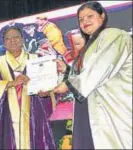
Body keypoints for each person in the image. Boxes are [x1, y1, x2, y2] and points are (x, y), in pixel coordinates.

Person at [54, 2, 132, 149]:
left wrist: (68, 84)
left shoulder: (114, 35)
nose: (85, 22)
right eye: (81, 19)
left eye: (90, 16)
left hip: (112, 108)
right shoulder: (92, 44)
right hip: (91, 108)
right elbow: (87, 72)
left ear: (102, 16)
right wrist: (67, 70)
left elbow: (100, 68)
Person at [0, 26, 56, 149]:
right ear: (4, 43)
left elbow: (50, 88)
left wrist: (47, 93)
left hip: (34, 115)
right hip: (6, 118)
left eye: (16, 37)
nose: (12, 40)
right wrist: (10, 83)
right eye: (8, 38)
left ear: (22, 39)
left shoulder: (37, 60)